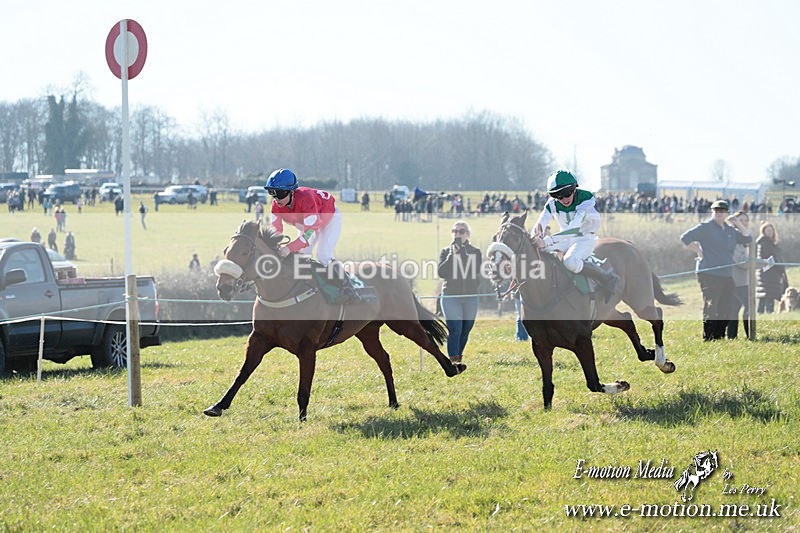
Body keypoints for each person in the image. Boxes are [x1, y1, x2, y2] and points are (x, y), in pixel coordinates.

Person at [265, 168, 358, 304]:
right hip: (308, 223)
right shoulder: (276, 206)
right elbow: (276, 231)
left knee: (323, 255)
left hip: (329, 218)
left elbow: (309, 234)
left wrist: (288, 248)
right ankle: (305, 288)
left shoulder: (306, 198)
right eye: (272, 194)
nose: (276, 199)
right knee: (302, 255)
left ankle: (349, 288)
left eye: (279, 193)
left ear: (291, 191)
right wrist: (273, 247)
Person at [533, 170, 618, 303]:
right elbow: (541, 223)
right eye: (559, 197)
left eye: (567, 194)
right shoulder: (551, 203)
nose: (564, 199)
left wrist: (547, 241)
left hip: (585, 239)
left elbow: (573, 229)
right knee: (539, 253)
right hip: (565, 239)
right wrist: (535, 237)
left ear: (574, 189)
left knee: (570, 261)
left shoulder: (586, 198)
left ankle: (606, 277)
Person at [680, 200, 752, 341]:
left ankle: (719, 336)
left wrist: (737, 222)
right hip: (708, 273)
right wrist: (699, 250)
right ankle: (709, 337)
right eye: (716, 210)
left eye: (722, 211)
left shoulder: (730, 230)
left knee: (726, 306)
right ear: (712, 212)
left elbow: (748, 238)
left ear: (726, 213)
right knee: (711, 305)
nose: (719, 213)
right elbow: (685, 238)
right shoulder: (705, 227)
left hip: (726, 273)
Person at [437, 221, 482, 364]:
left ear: (467, 234)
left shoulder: (475, 252)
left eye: (461, 231)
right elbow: (441, 272)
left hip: (470, 296)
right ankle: (453, 361)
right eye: (454, 231)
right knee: (455, 328)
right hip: (450, 296)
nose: (457, 234)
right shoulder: (446, 251)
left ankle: (458, 356)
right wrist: (452, 256)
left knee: (466, 329)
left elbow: (473, 270)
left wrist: (461, 252)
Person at [726, 211, 750, 339]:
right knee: (749, 306)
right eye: (741, 220)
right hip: (737, 280)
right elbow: (741, 261)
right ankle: (750, 334)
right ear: (735, 222)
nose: (744, 223)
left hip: (741, 279)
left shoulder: (743, 238)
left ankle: (731, 337)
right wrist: (762, 264)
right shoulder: (734, 238)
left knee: (734, 309)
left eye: (746, 220)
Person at [755, 221, 788, 314]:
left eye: (771, 230)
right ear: (764, 231)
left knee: (765, 295)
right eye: (768, 230)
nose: (770, 232)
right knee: (769, 294)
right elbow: (771, 258)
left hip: (768, 272)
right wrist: (781, 268)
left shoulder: (770, 243)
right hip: (768, 273)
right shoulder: (765, 243)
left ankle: (761, 313)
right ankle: (769, 313)